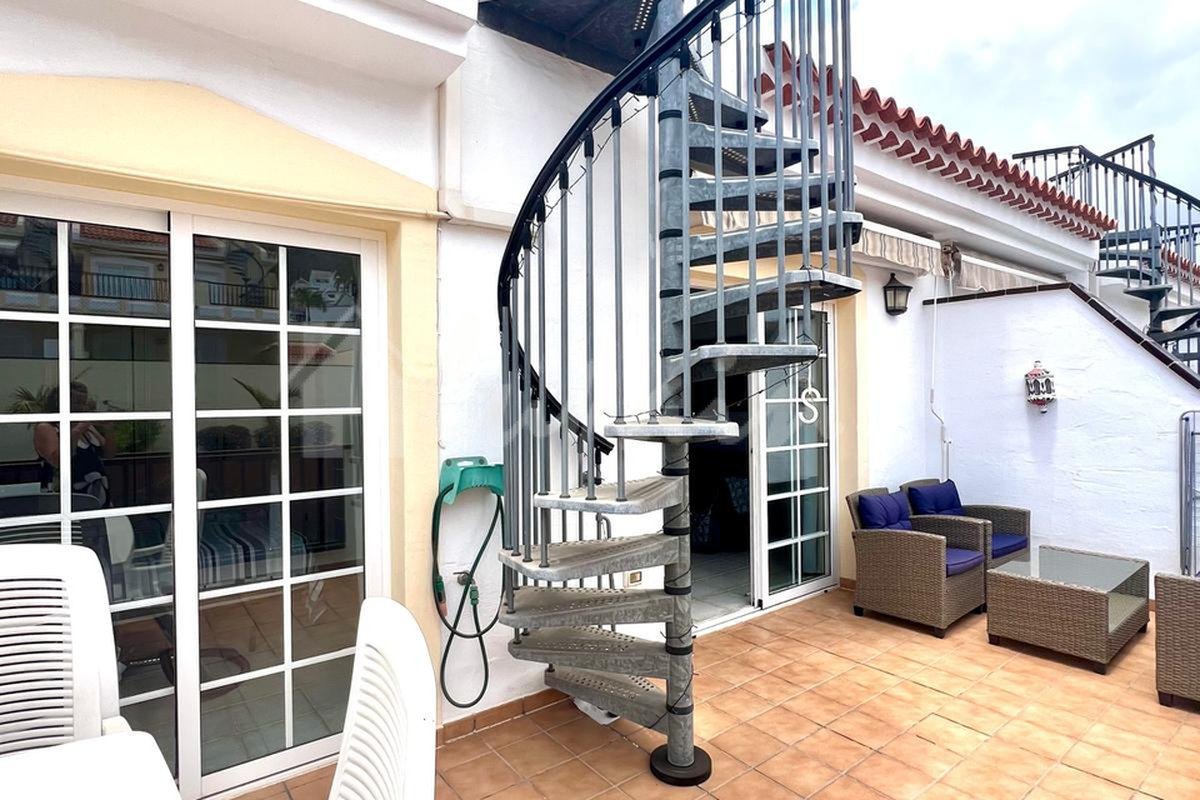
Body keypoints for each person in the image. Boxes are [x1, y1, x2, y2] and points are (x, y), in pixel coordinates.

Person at [33, 382, 114, 508]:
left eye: (84, 403)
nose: (82, 407)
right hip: (67, 492)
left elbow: (109, 454)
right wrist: (77, 431)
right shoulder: (47, 427)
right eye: (77, 403)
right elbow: (58, 461)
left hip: (96, 491)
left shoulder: (88, 428)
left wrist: (109, 428)